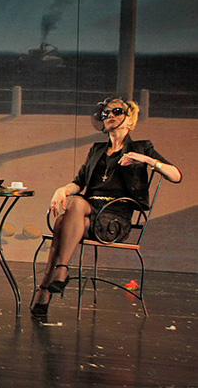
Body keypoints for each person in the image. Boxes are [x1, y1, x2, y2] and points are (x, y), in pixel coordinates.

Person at [32, 96, 181, 316]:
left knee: (64, 219)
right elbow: (79, 182)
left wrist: (147, 160)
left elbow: (176, 175)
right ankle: (58, 274)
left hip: (114, 219)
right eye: (106, 113)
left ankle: (47, 286)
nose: (109, 115)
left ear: (129, 120)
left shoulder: (141, 147)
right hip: (87, 211)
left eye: (117, 111)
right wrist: (62, 190)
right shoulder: (97, 150)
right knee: (70, 210)